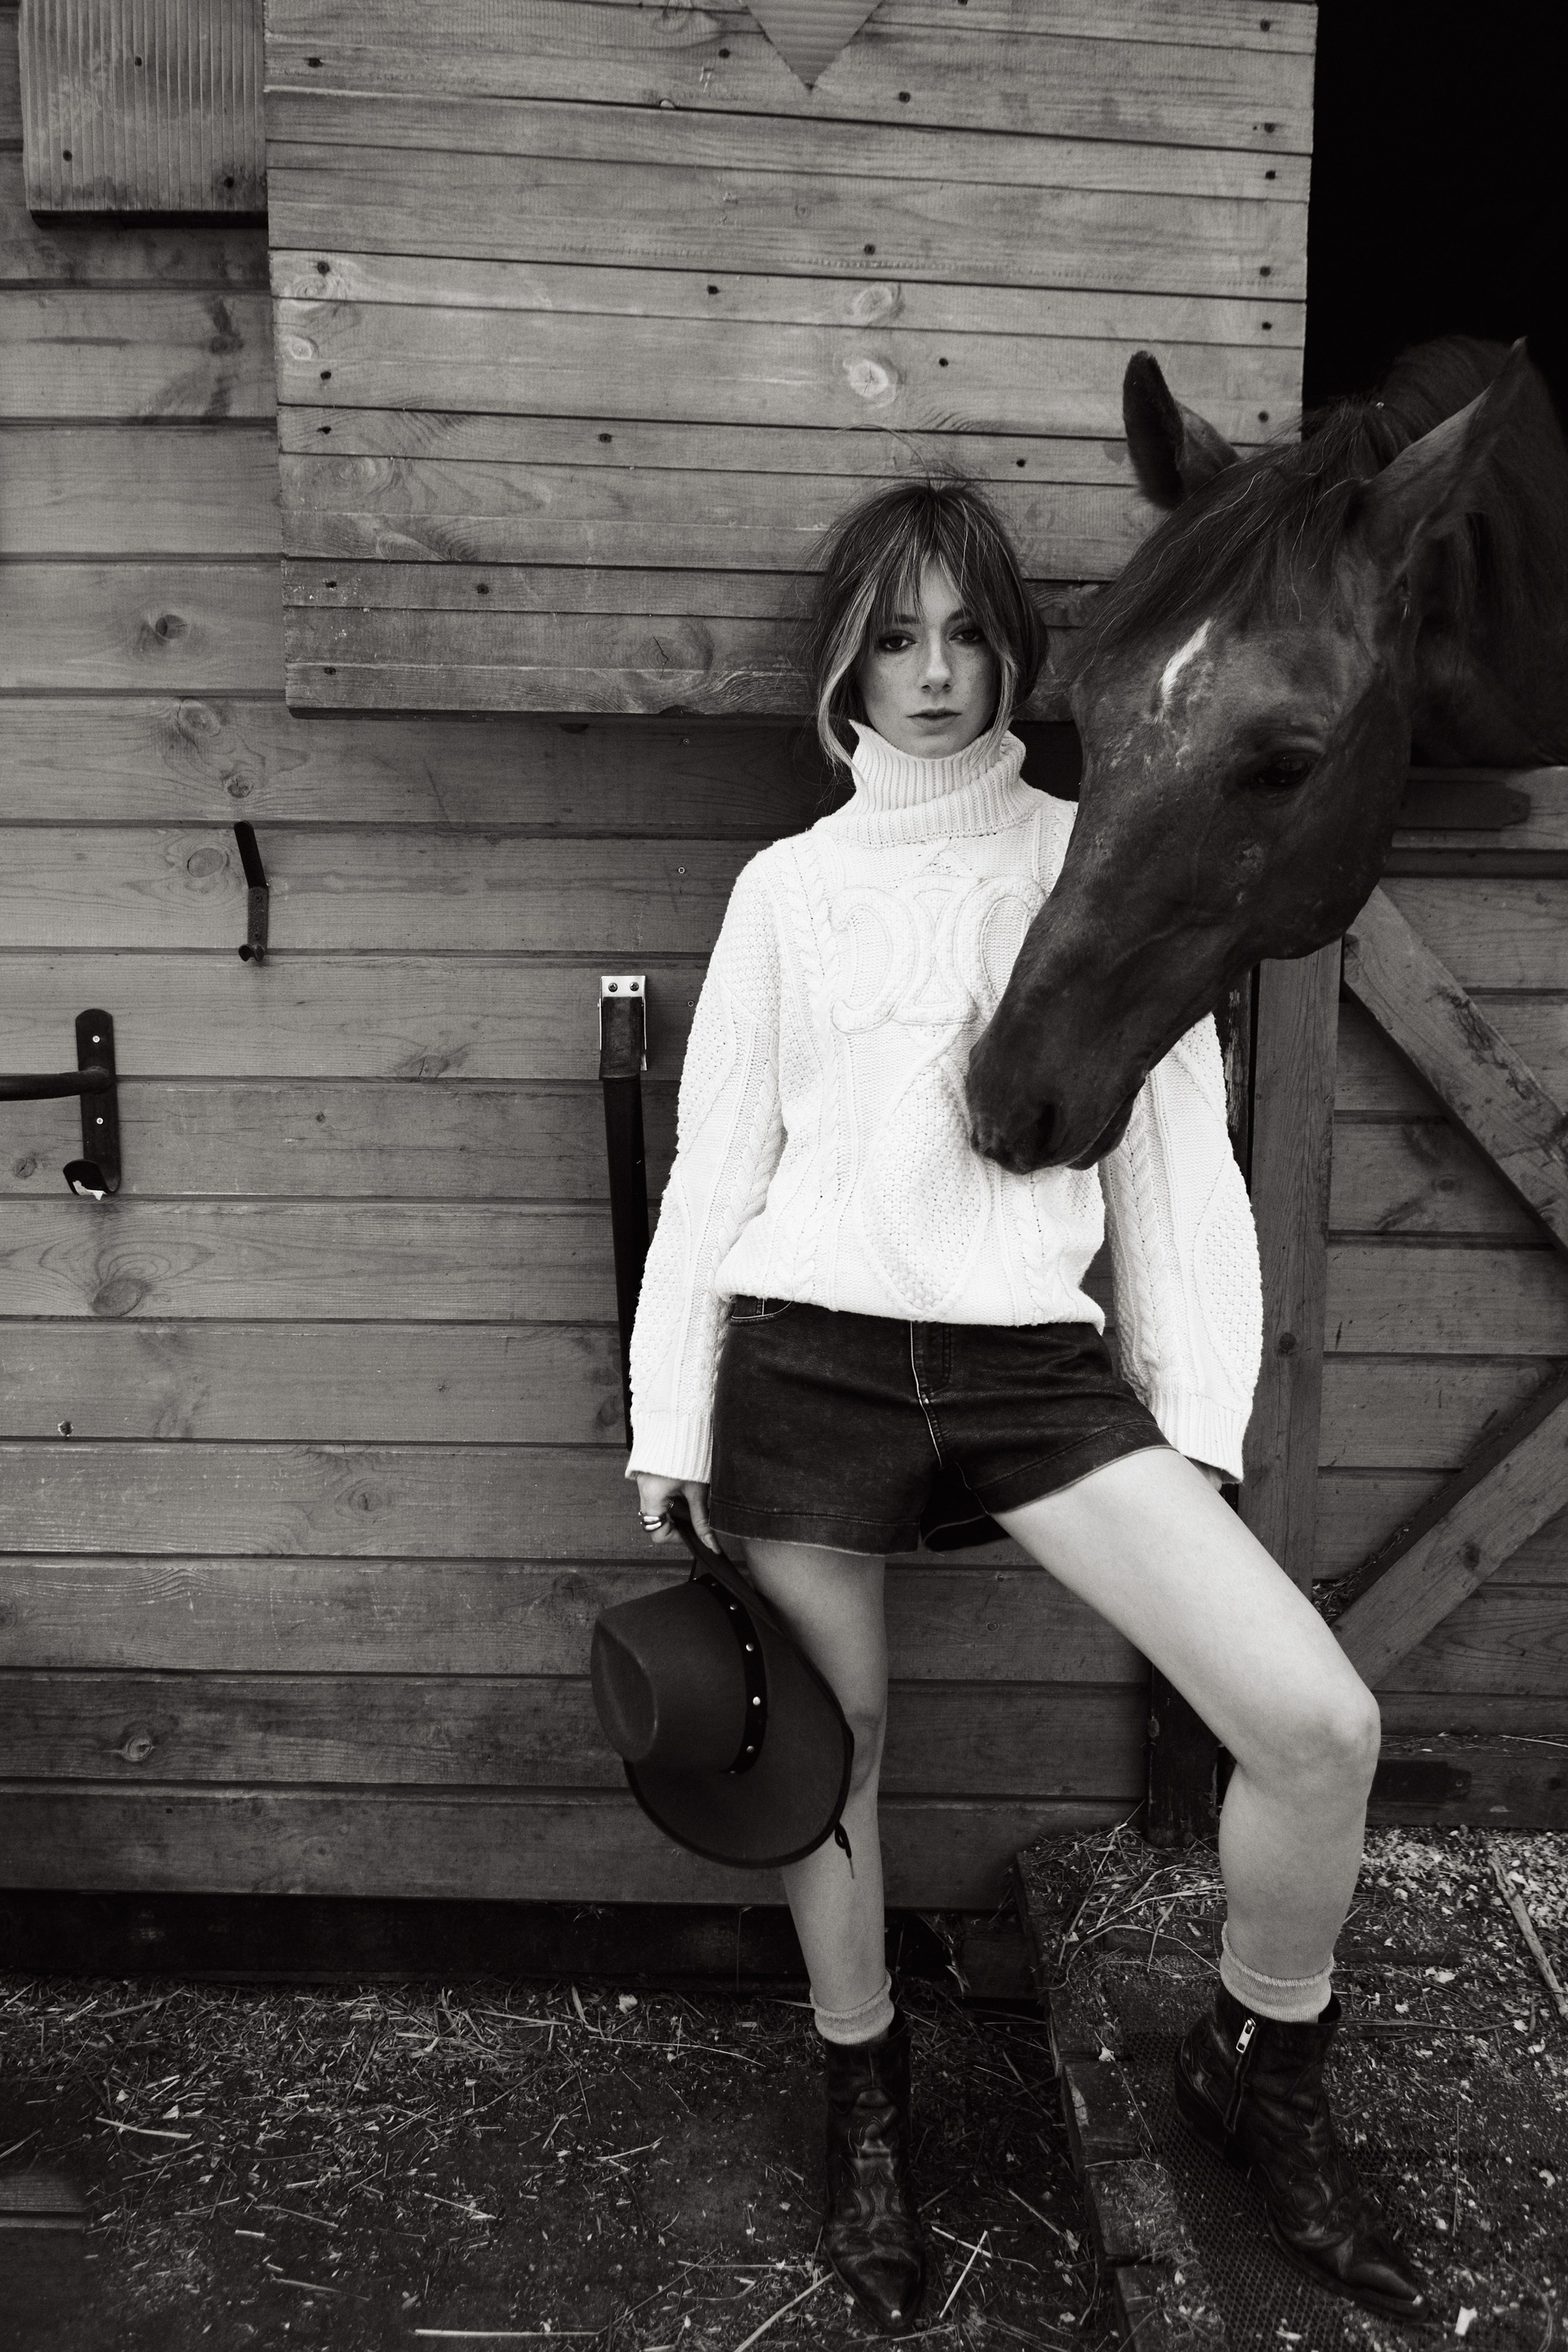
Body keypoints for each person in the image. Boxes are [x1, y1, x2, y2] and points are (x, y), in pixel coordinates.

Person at [626, 480, 1428, 2334]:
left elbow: (1177, 1174)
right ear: (846, 662)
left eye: (968, 633)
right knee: (831, 1760)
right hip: (810, 1367)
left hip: (1031, 1374)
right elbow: (713, 1170)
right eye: (895, 638)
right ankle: (866, 2100)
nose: (934, 673)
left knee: (1317, 1726)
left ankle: (1263, 2065)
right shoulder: (785, 891)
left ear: (1017, 650)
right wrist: (672, 1421)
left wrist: (1197, 1432)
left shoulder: (1098, 843)